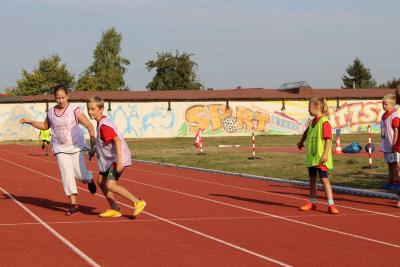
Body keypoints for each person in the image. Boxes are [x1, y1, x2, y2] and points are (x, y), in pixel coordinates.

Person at [20, 84, 97, 216]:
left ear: (68, 96)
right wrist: (30, 122)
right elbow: (45, 126)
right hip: (60, 148)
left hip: (76, 146)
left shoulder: (75, 110)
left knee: (80, 175)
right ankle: (74, 204)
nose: (60, 100)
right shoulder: (50, 112)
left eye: (63, 97)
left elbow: (89, 125)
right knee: (67, 174)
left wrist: (93, 144)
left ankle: (89, 178)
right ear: (54, 98)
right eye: (58, 98)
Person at [86, 96, 146, 218]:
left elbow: (117, 141)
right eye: (88, 109)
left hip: (118, 158)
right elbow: (101, 143)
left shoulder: (104, 126)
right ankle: (114, 208)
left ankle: (138, 202)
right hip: (110, 159)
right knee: (100, 181)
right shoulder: (100, 123)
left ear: (101, 109)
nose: (90, 112)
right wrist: (93, 150)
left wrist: (119, 162)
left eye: (93, 109)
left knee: (110, 185)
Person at [297, 97, 339, 214]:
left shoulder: (324, 122)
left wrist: (325, 154)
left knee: (324, 179)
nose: (307, 109)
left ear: (316, 107)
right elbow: (306, 132)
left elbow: (329, 139)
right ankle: (312, 202)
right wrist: (301, 142)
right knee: (312, 180)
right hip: (312, 157)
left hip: (321, 157)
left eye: (309, 107)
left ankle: (331, 204)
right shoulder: (312, 122)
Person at [381, 94, 400, 191]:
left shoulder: (394, 116)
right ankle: (391, 181)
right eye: (383, 104)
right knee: (389, 163)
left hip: (392, 145)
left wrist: (394, 143)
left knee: (395, 163)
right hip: (386, 144)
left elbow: (396, 131)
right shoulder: (383, 115)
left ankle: (397, 181)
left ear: (392, 105)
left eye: (386, 104)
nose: (384, 106)